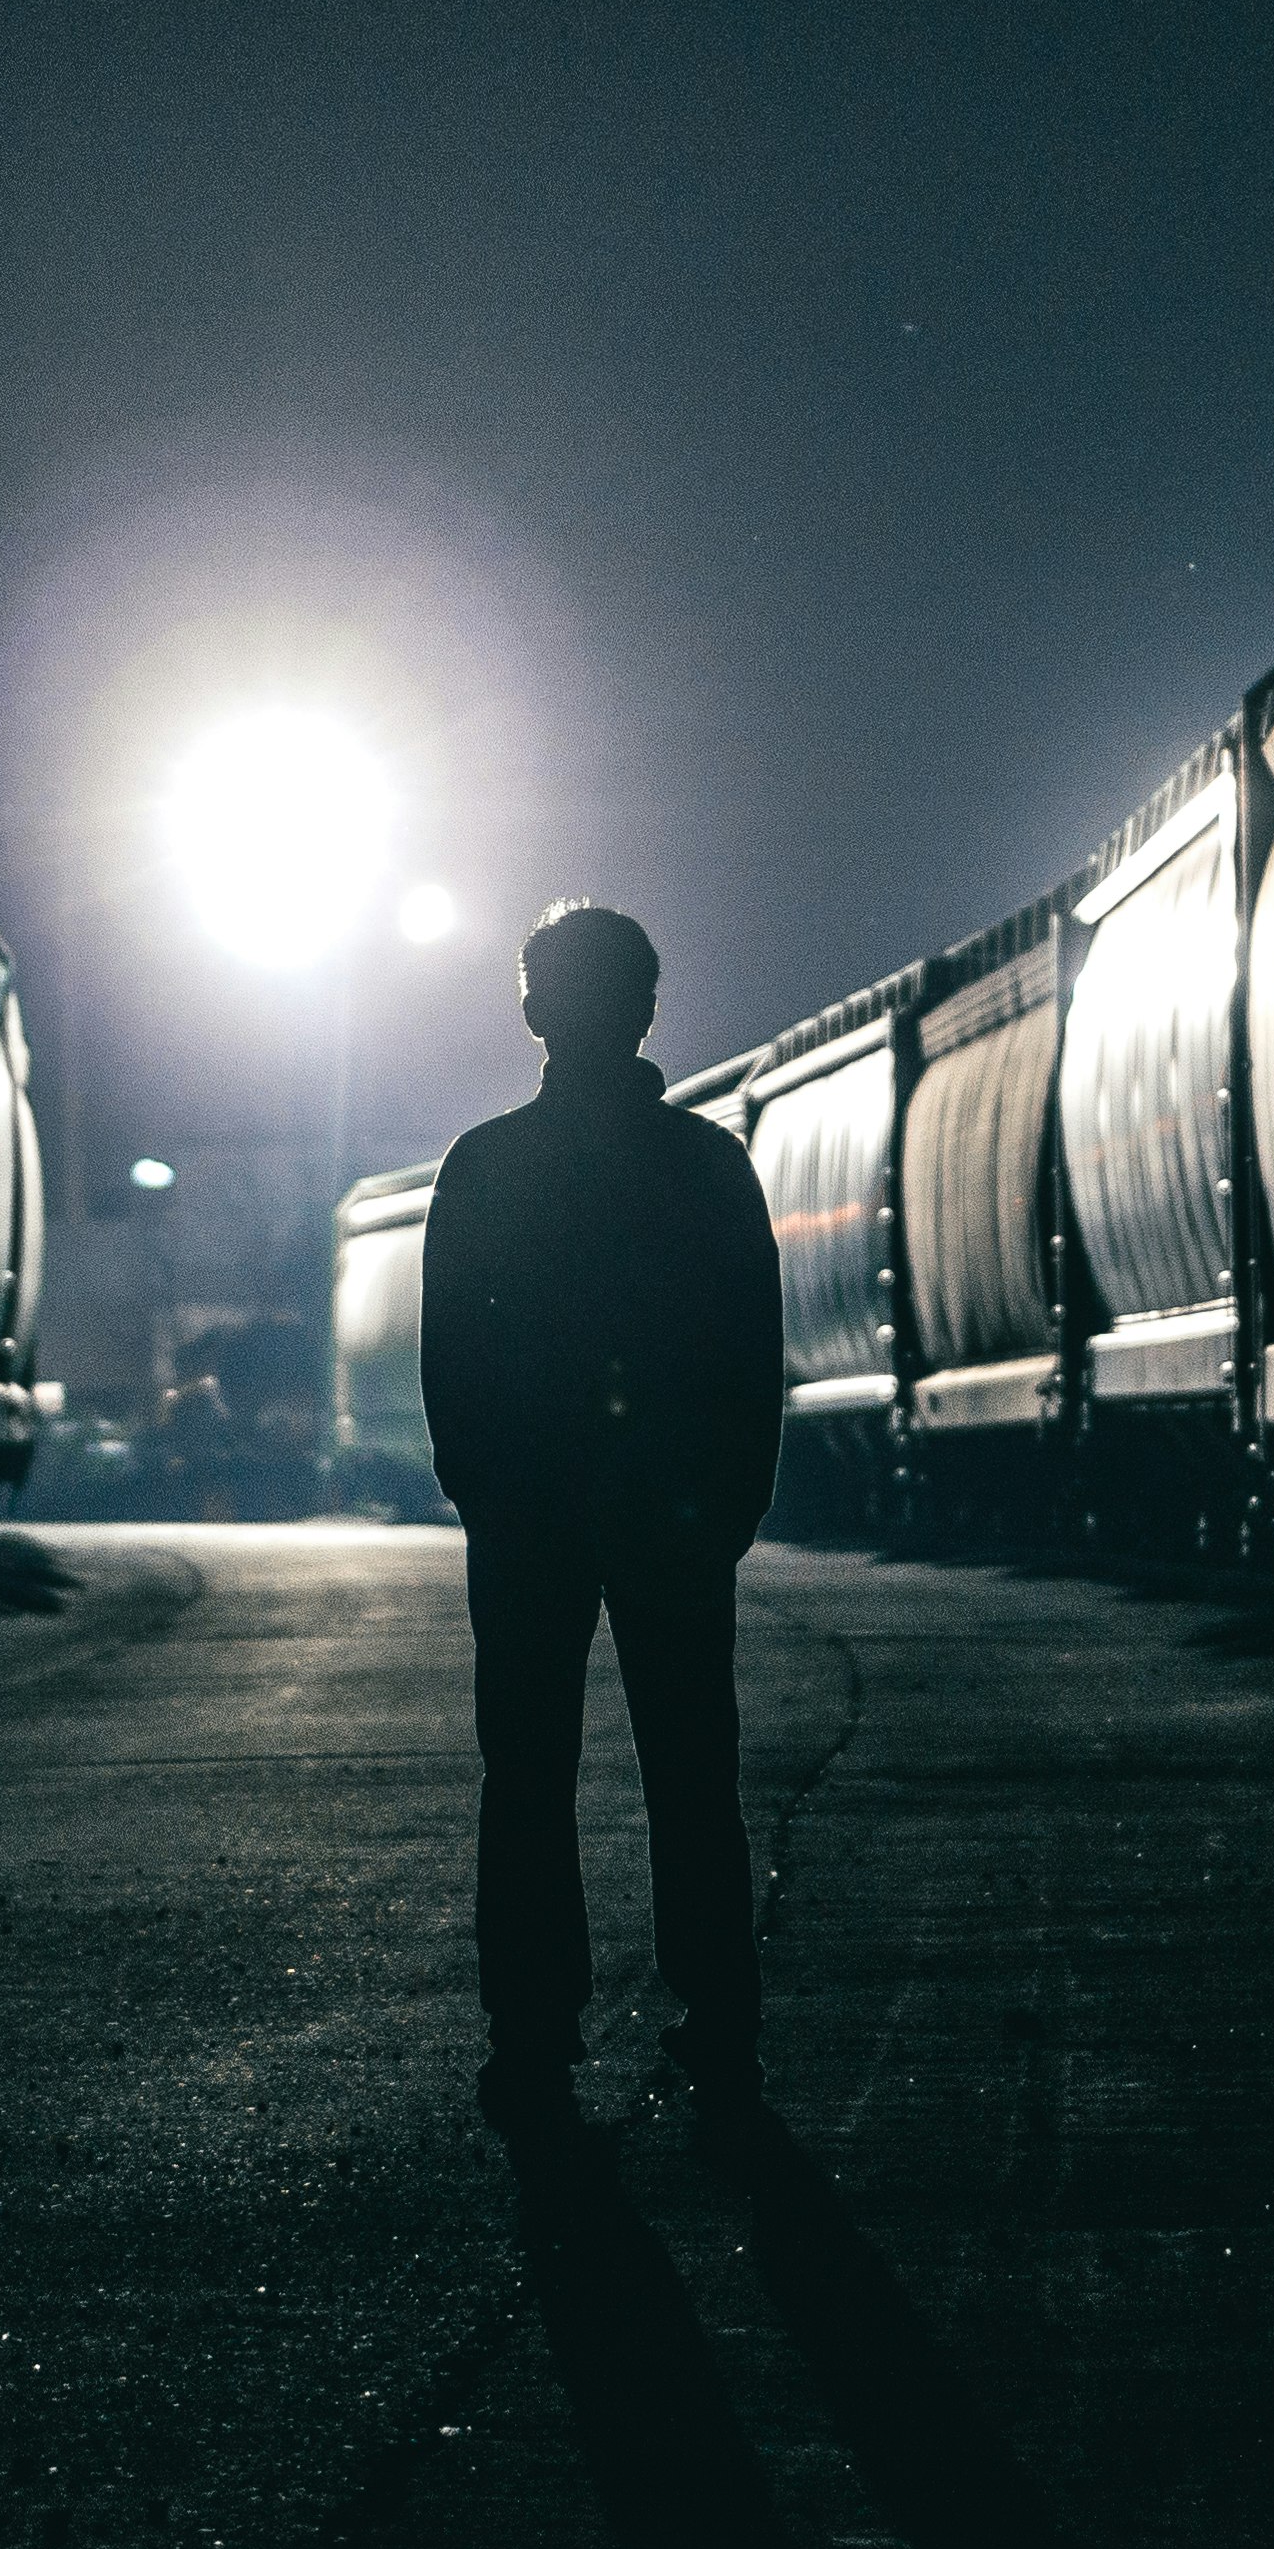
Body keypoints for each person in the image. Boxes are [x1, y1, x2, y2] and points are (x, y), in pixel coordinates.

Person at [420, 900, 783, 2161]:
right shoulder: (707, 1165)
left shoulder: (484, 1166)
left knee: (526, 1781)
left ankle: (532, 2037)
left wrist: (484, 1491)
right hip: (674, 1514)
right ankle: (721, 2023)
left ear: (530, 1009)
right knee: (694, 1778)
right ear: (647, 1007)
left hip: (528, 1518)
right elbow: (754, 1353)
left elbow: (449, 1358)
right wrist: (728, 1507)